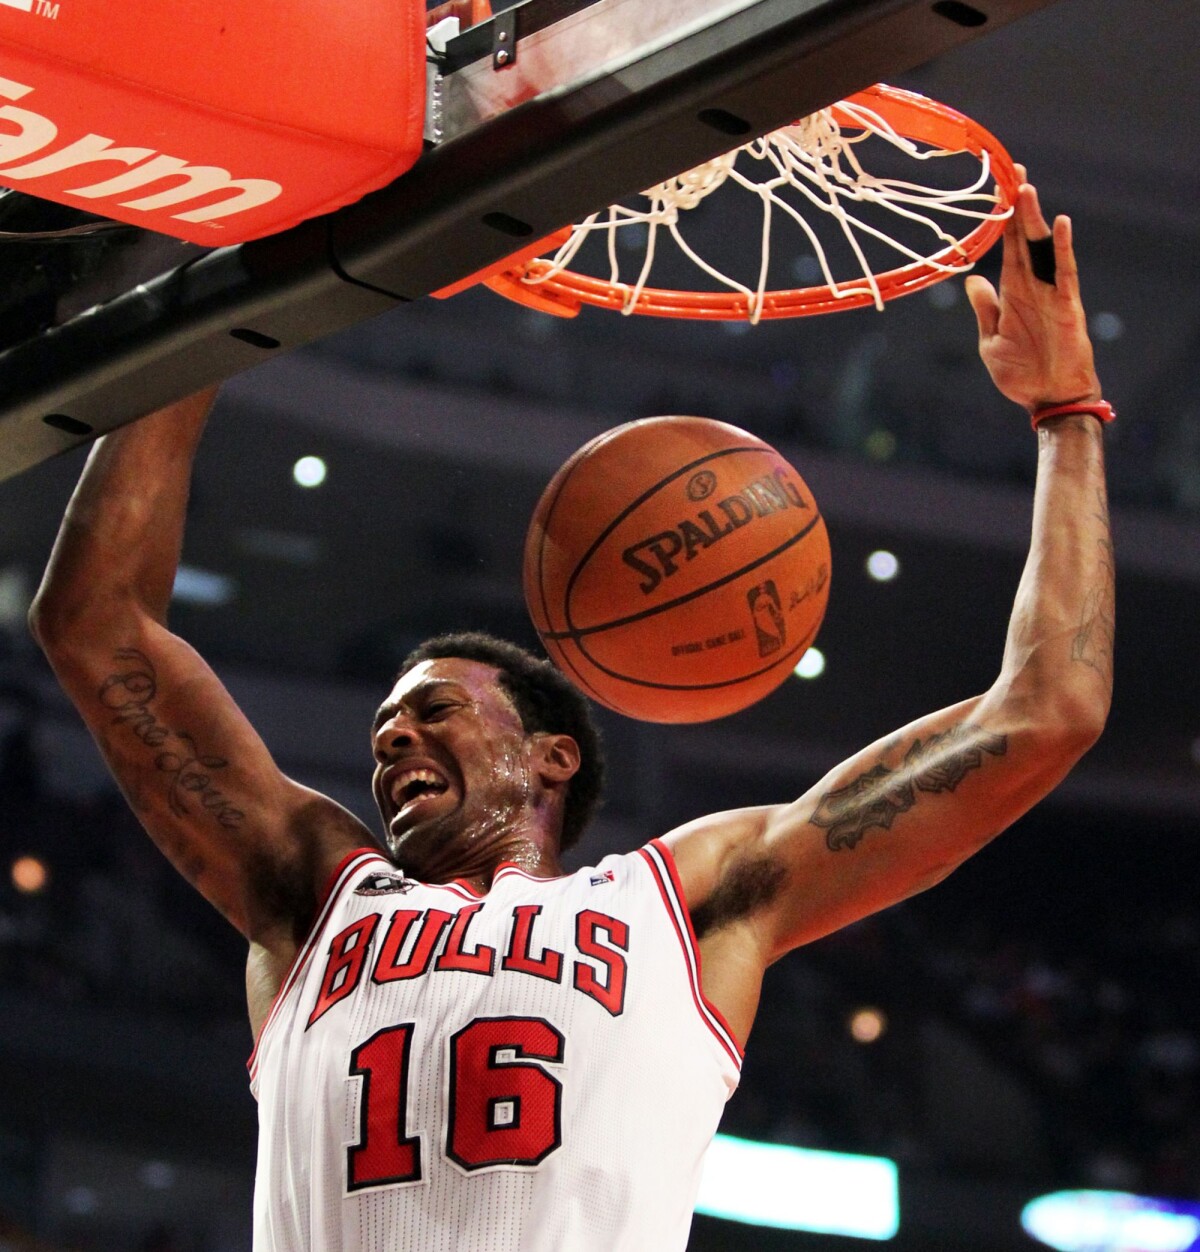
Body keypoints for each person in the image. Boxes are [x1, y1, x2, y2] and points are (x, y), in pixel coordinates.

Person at [29, 176, 1113, 1250]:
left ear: (552, 754)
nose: (392, 736)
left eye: (435, 709)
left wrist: (1066, 417)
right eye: (385, 727)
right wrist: (221, 285)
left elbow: (1044, 711)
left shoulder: (681, 904)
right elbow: (93, 622)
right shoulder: (315, 895)